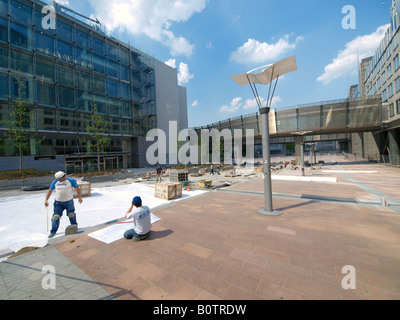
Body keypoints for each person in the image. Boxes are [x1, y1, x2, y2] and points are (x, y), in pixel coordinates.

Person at [44, 171, 83, 238]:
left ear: (63, 176)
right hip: (58, 202)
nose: (59, 181)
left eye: (60, 179)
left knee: (71, 214)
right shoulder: (55, 182)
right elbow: (50, 190)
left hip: (69, 201)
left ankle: (74, 227)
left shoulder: (70, 181)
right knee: (56, 216)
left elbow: (77, 188)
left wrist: (80, 197)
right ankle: (53, 231)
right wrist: (46, 199)